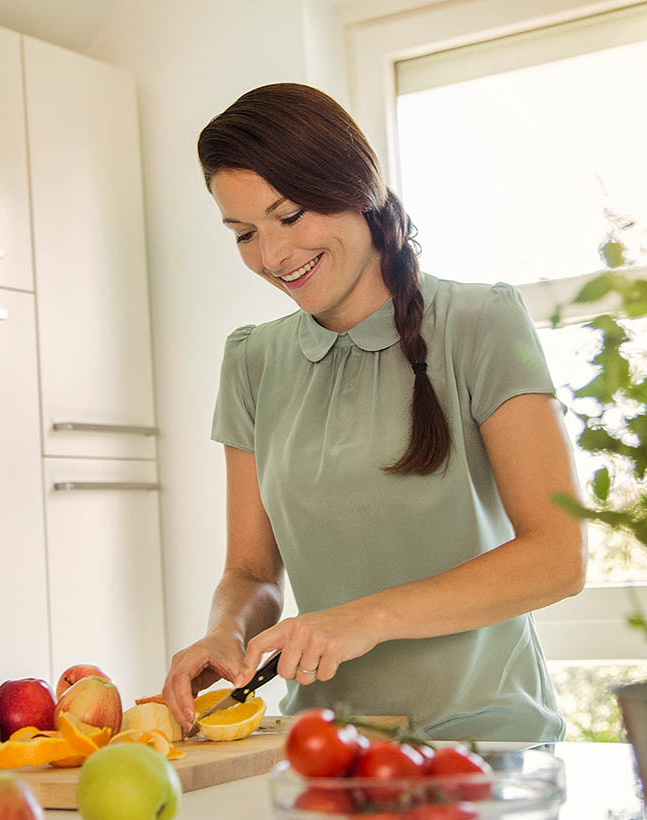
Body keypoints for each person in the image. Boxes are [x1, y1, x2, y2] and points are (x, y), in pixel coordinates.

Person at [161, 82, 585, 741]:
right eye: (244, 233)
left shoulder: (480, 323)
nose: (272, 257)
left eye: (291, 214)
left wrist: (369, 616)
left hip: (485, 745)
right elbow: (250, 570)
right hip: (321, 746)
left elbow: (558, 555)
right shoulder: (251, 360)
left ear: (354, 187)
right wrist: (227, 629)